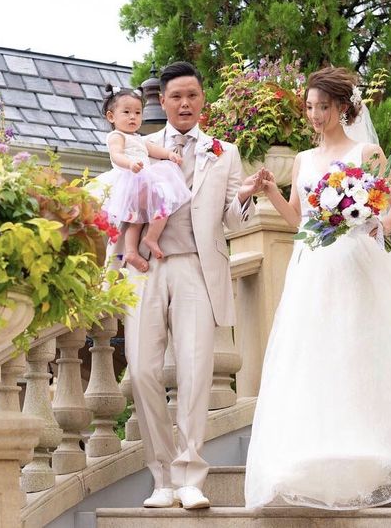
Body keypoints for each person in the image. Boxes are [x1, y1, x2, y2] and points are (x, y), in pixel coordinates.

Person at [244, 66, 391, 510]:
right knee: (313, 353)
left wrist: (381, 226)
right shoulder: (302, 160)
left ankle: (363, 448)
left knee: (352, 346)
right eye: (310, 107)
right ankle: (313, 451)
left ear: (342, 107)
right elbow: (299, 221)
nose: (315, 115)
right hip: (310, 269)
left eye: (323, 107)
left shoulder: (366, 153)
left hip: (353, 262)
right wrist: (271, 192)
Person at [112, 61, 263, 510]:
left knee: (196, 373)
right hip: (145, 269)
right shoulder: (139, 144)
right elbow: (123, 204)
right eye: (176, 96)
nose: (184, 103)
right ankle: (161, 478)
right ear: (162, 101)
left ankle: (190, 475)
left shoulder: (225, 152)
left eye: (192, 96)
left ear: (202, 100)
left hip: (197, 267)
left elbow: (235, 221)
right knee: (142, 370)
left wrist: (244, 195)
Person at [96, 84, 191, 272]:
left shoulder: (138, 138)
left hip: (143, 179)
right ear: (111, 117)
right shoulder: (116, 136)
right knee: (152, 209)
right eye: (126, 112)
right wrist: (130, 164)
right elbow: (116, 155)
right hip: (130, 179)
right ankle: (142, 244)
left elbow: (153, 149)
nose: (133, 117)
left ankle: (140, 246)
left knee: (143, 216)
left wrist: (169, 155)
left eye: (137, 113)